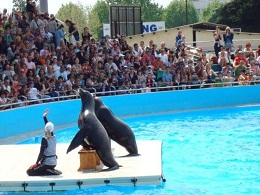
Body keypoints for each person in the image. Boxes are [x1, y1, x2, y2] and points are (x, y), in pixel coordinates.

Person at [26, 109, 62, 176]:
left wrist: (36, 163)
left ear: (45, 129)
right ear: (53, 129)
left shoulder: (44, 139)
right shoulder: (54, 137)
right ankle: (50, 170)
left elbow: (41, 153)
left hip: (47, 163)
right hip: (54, 163)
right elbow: (49, 129)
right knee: (36, 168)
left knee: (29, 172)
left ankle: (46, 172)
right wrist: (44, 117)